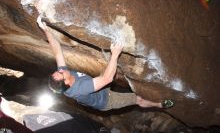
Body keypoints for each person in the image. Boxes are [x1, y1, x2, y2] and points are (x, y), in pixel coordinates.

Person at [37, 17, 174, 111]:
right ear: (67, 82)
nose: (60, 70)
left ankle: (111, 62)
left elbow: (57, 52)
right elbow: (107, 79)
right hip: (107, 101)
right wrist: (115, 54)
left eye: (58, 71)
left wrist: (46, 30)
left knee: (107, 68)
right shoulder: (80, 88)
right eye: (61, 73)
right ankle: (160, 105)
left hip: (97, 86)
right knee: (137, 99)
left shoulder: (63, 79)